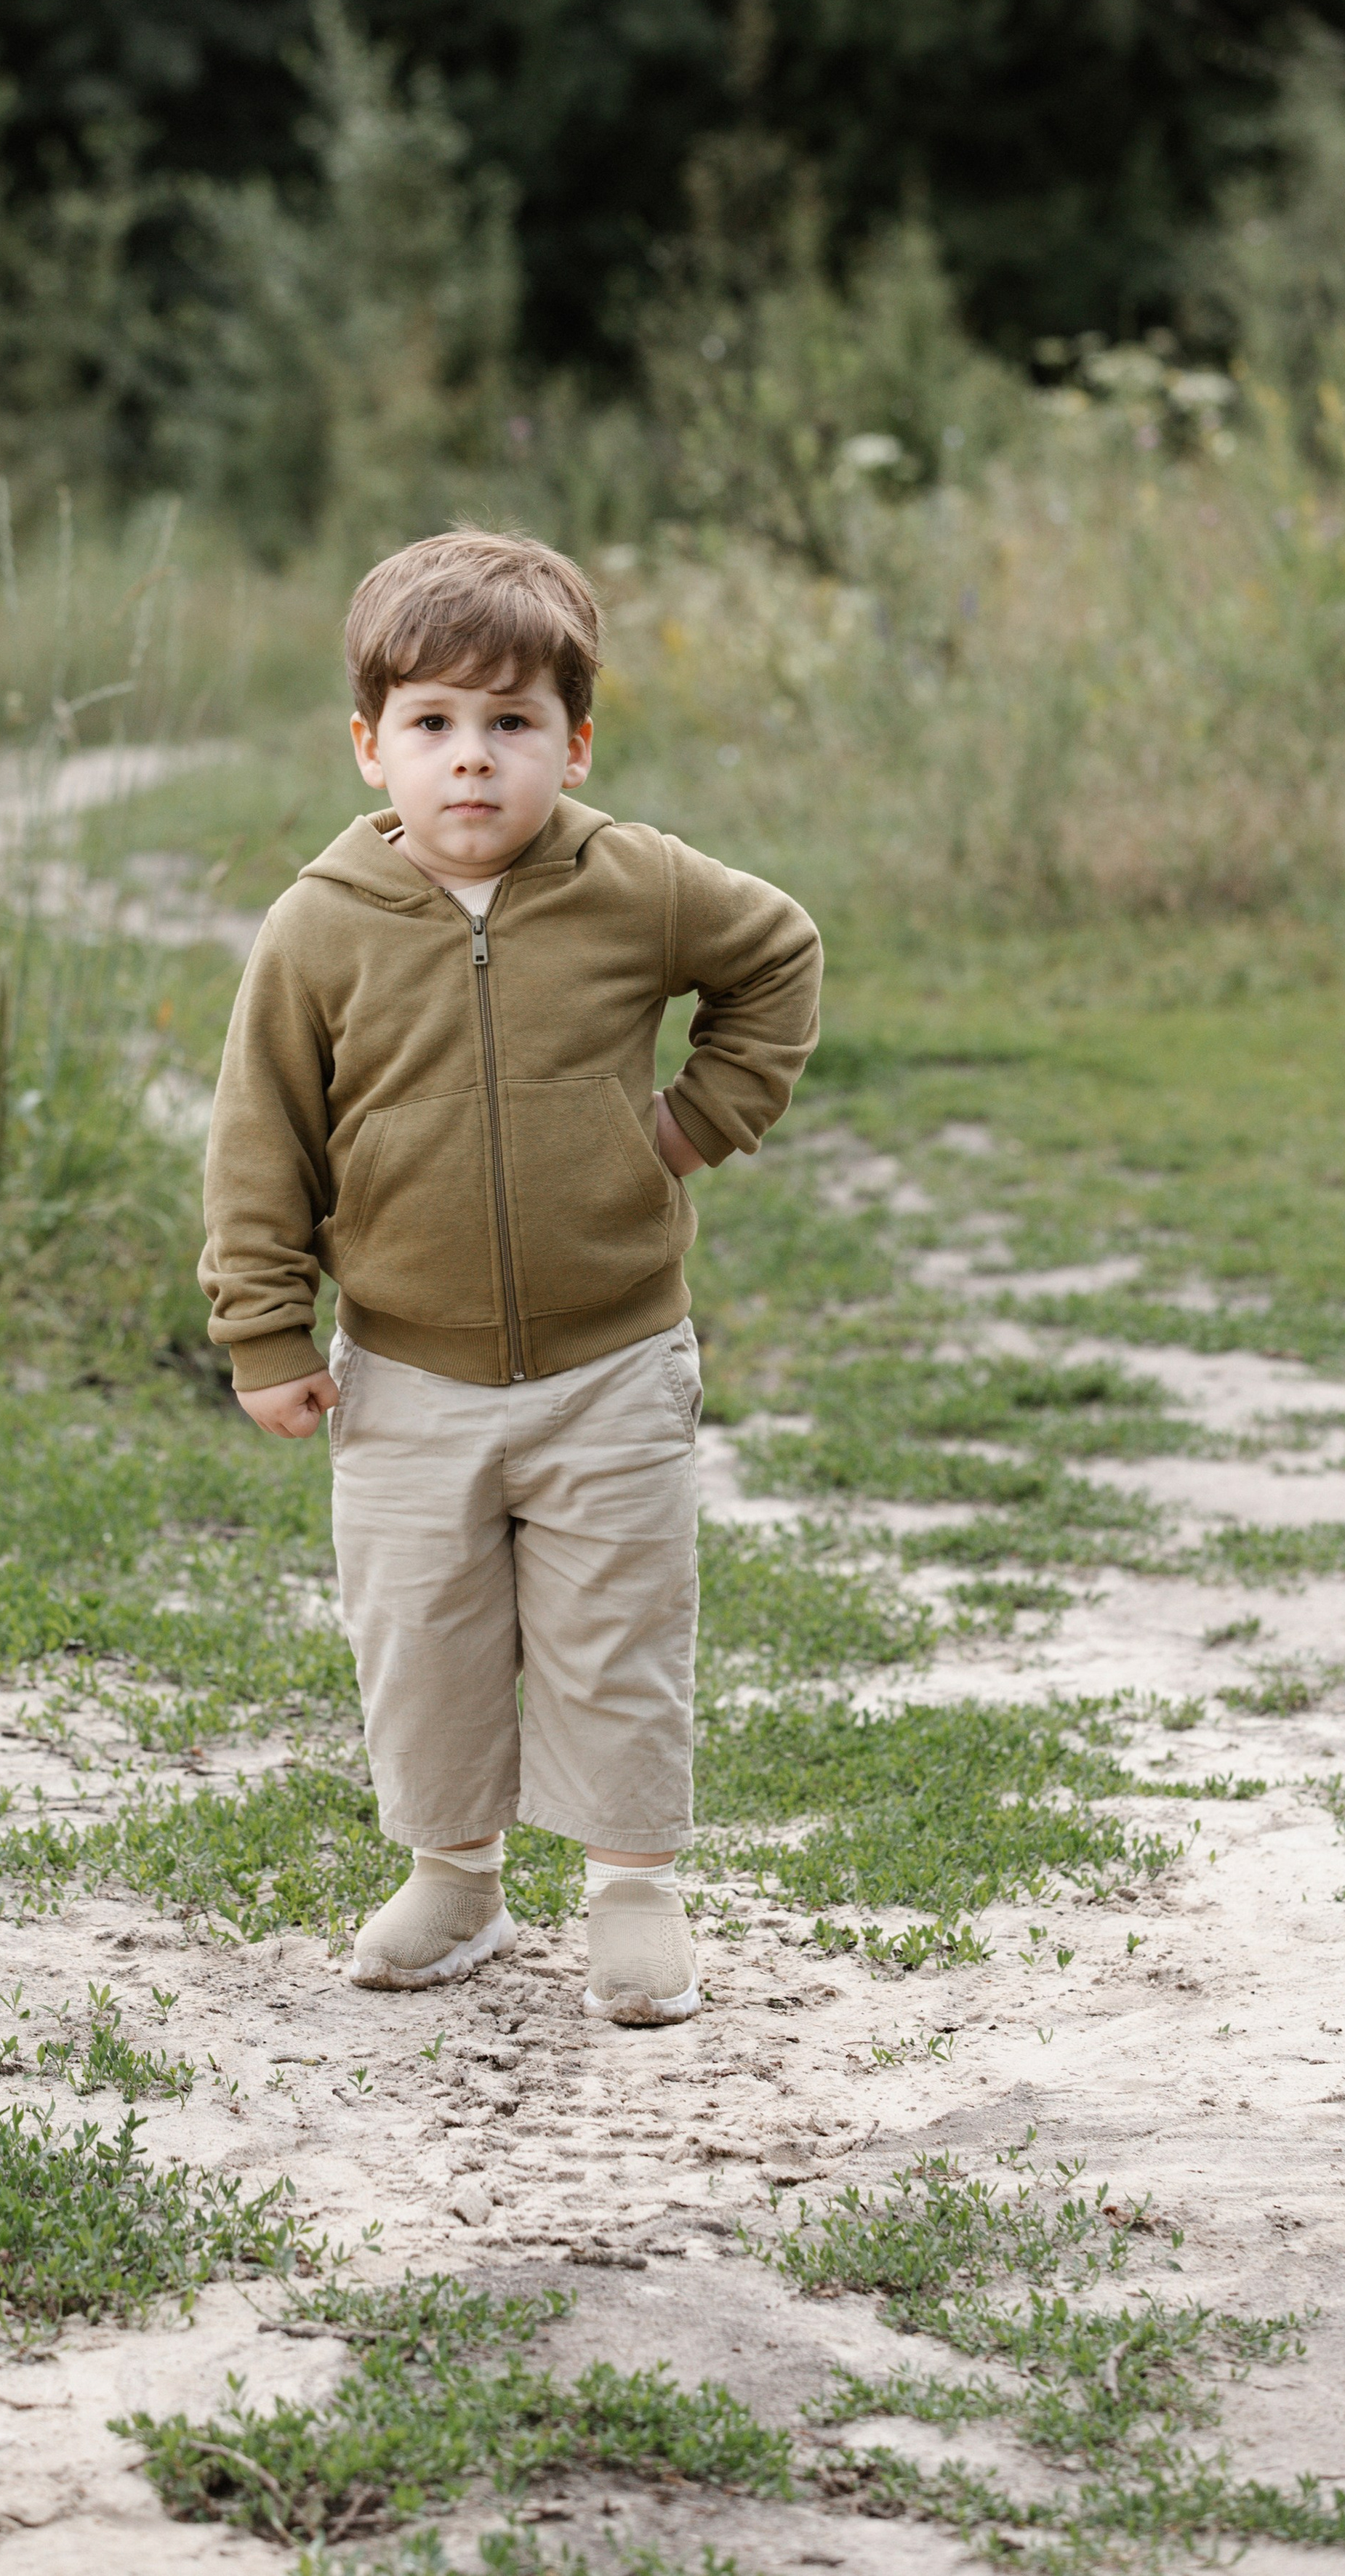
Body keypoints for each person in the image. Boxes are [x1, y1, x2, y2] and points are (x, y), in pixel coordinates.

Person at [200, 529, 821, 2022]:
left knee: (616, 1626)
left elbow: (779, 953)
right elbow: (257, 1136)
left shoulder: (634, 884)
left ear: (572, 738)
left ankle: (630, 1894)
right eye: (430, 724)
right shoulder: (318, 928)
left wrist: (692, 1123)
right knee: (422, 1633)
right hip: (402, 1368)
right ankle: (454, 1881)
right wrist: (265, 1327)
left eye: (509, 723)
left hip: (612, 1358)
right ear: (369, 748)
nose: (469, 761)